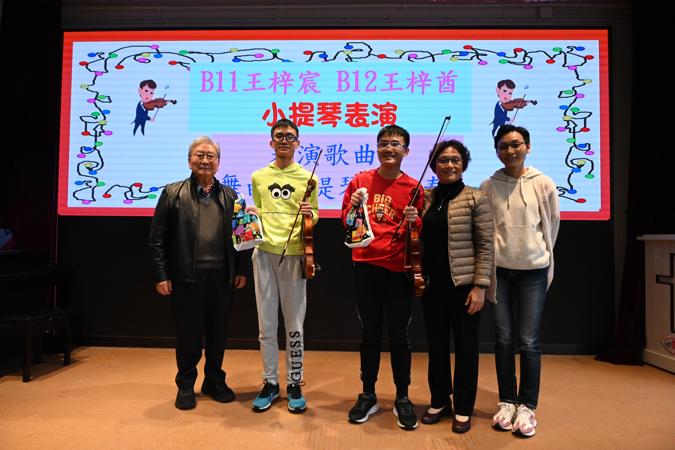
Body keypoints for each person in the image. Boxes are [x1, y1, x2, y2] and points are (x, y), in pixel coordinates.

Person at [149, 136, 251, 410]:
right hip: (186, 277)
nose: (205, 160)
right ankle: (185, 384)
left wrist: (241, 269)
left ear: (218, 162)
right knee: (188, 335)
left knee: (218, 334)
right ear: (189, 160)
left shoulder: (231, 196)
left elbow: (242, 237)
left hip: (222, 277)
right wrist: (161, 274)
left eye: (210, 156)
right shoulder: (172, 193)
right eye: (199, 155)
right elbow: (157, 238)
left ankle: (214, 381)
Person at [341, 124, 423, 430]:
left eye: (395, 144)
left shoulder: (414, 187)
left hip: (398, 271)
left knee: (400, 336)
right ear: (377, 148)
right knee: (369, 334)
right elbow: (347, 224)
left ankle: (402, 397)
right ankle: (368, 394)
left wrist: (415, 221)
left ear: (406, 151)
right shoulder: (359, 181)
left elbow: (418, 234)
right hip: (365, 267)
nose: (389, 148)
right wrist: (353, 206)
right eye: (384, 143)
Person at [481, 125, 560, 438]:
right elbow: (485, 229)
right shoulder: (489, 185)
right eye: (503, 146)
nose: (510, 151)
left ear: (527, 146)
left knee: (529, 341)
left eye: (515, 144)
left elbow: (552, 225)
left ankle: (527, 405)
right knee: (503, 339)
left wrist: (537, 253)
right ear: (497, 151)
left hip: (533, 271)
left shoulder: (543, 183)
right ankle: (507, 401)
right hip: (499, 272)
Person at [419, 140, 493, 434]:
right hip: (432, 285)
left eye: (455, 160)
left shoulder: (476, 197)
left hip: (464, 287)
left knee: (466, 348)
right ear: (434, 165)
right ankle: (439, 401)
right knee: (436, 346)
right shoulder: (425, 197)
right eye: (443, 160)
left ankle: (463, 406)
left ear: (464, 165)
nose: (449, 165)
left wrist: (480, 286)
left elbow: (486, 245)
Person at [249, 118, 318, 414]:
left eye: (290, 136)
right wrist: (251, 215)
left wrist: (310, 213)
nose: (284, 140)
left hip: (295, 255)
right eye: (279, 136)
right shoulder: (258, 176)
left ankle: (294, 383)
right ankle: (270, 382)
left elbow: (315, 215)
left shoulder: (308, 178)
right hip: (264, 254)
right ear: (271, 141)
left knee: (294, 325)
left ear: (298, 143)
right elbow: (258, 210)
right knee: (266, 325)